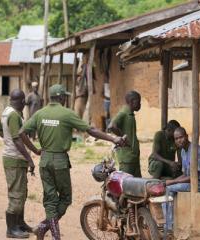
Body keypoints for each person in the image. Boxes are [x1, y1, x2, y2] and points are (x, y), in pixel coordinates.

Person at [20, 84, 125, 240]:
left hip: (45, 160)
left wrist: (35, 150)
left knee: (50, 199)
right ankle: (48, 230)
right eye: (65, 96)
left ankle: (44, 228)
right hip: (60, 162)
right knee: (65, 198)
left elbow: (21, 133)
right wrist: (113, 138)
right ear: (62, 97)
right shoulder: (67, 114)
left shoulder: (40, 114)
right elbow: (91, 130)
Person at [0, 89, 41, 239]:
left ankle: (20, 223)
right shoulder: (14, 115)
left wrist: (34, 151)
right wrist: (29, 158)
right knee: (16, 195)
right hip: (14, 159)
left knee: (21, 193)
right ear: (22, 102)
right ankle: (11, 228)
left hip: (14, 159)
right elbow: (17, 139)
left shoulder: (6, 111)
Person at [163, 127, 200, 231]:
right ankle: (170, 224)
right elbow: (185, 174)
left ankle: (169, 227)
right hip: (194, 183)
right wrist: (171, 182)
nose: (179, 140)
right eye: (176, 139)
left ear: (186, 136)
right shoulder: (183, 151)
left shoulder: (195, 151)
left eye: (181, 137)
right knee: (169, 188)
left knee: (168, 189)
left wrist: (172, 181)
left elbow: (193, 177)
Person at [108, 90, 141, 177]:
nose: (140, 104)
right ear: (131, 101)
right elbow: (111, 126)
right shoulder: (124, 113)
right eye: (138, 101)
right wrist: (122, 136)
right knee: (126, 184)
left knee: (137, 184)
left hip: (133, 157)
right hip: (127, 158)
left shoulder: (130, 114)